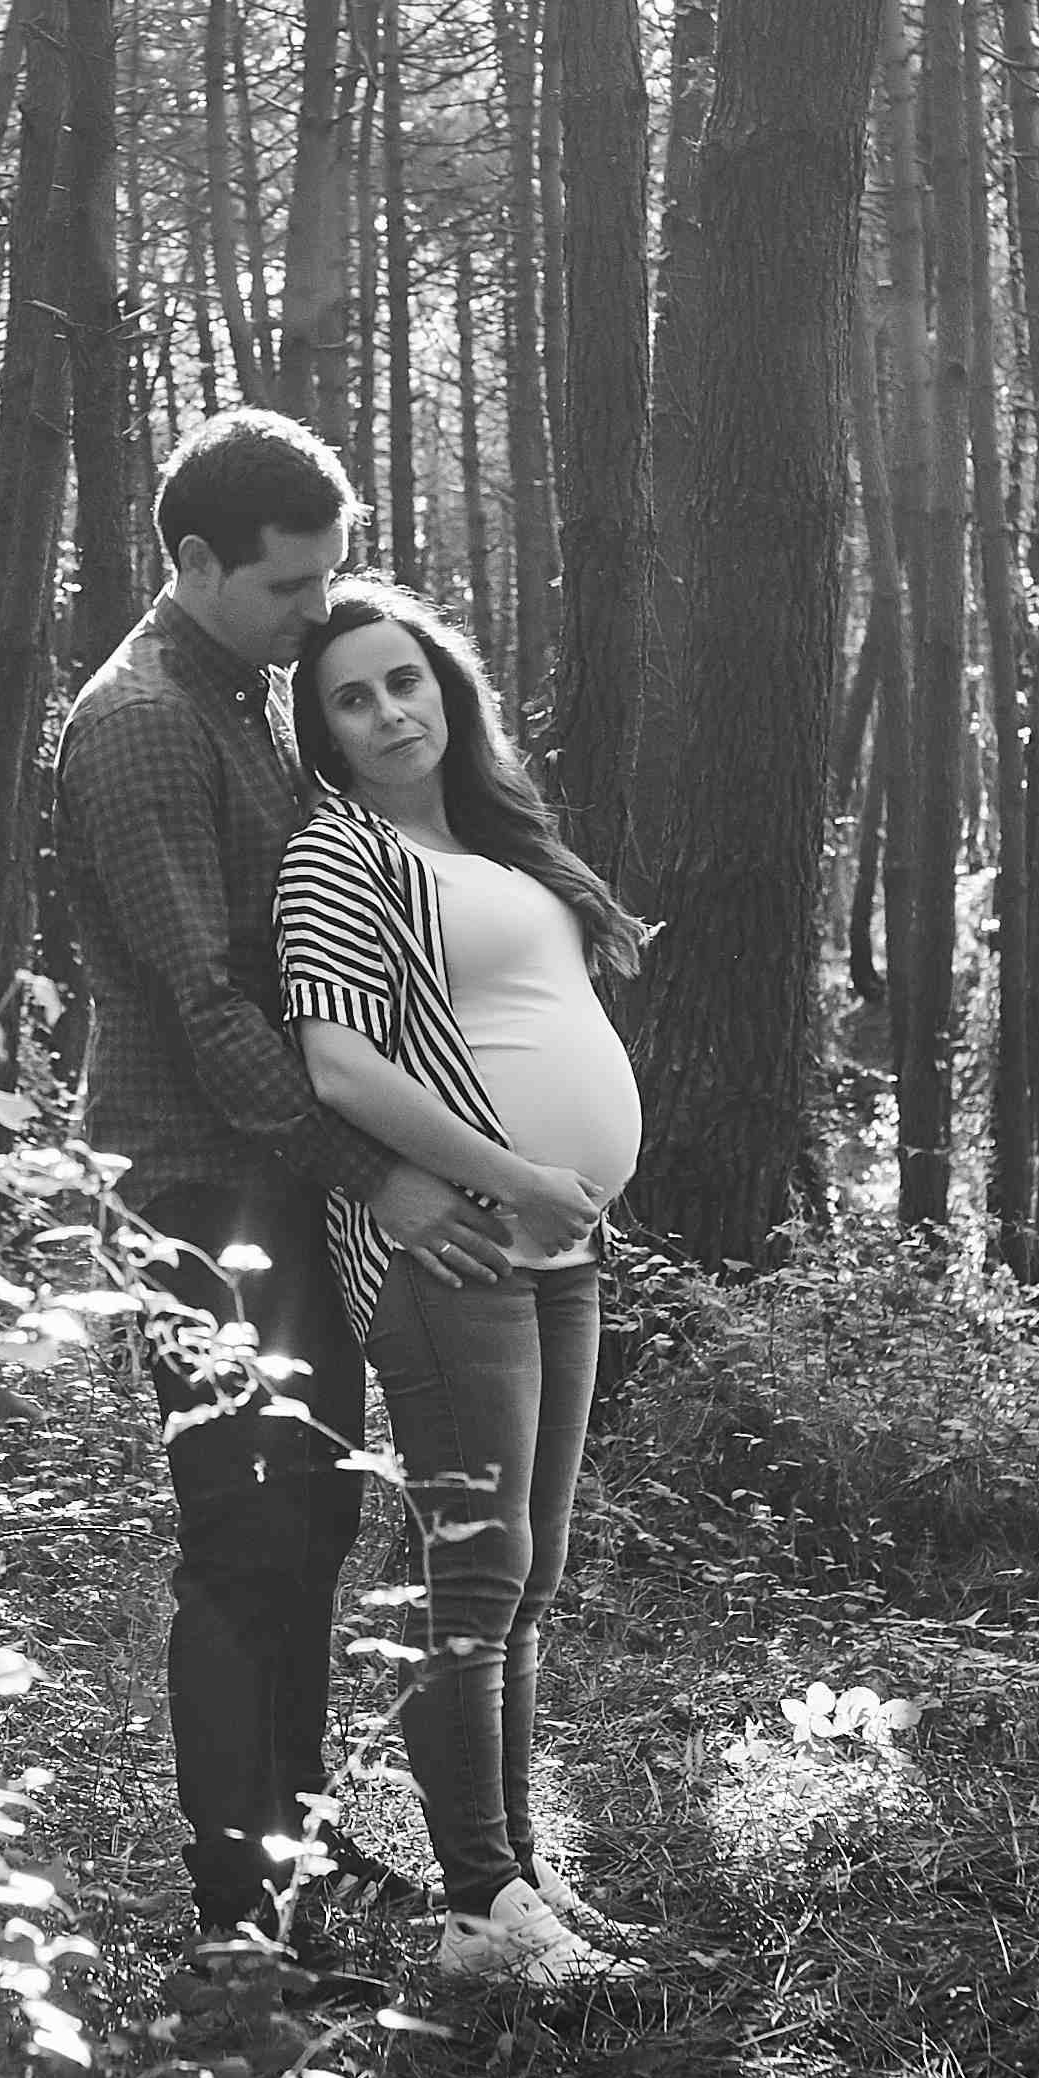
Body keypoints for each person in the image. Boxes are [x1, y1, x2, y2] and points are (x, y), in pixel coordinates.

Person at [51, 412, 511, 1988]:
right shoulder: (140, 726)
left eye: (330, 578)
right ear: (194, 563)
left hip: (273, 1174)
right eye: (290, 586)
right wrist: (378, 1173)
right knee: (247, 1533)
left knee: (309, 1517)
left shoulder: (235, 691)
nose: (321, 613)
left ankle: (294, 1850)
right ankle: (236, 1922)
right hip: (200, 1185)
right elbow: (206, 1006)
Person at [274, 576, 659, 1988]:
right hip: (453, 1248)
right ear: (321, 731)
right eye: (351, 699)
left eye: (404, 681)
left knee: (529, 1575)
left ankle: (519, 1883)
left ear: (448, 686)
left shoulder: (496, 839)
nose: (388, 713)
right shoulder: (339, 855)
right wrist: (512, 1175)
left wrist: (560, 1193)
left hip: (557, 1246)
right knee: (479, 1572)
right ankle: (478, 1904)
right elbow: (338, 1067)